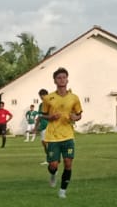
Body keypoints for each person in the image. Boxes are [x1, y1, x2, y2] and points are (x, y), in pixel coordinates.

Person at [41, 68, 83, 199]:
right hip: (53, 136)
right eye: (59, 78)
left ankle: (63, 190)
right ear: (55, 81)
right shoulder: (48, 98)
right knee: (53, 165)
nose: (62, 79)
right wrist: (51, 117)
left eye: (64, 77)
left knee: (68, 162)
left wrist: (75, 118)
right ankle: (53, 173)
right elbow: (43, 115)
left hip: (68, 135)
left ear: (67, 79)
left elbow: (79, 114)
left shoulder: (74, 98)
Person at [33, 88, 50, 158]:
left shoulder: (50, 104)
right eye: (40, 96)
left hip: (49, 126)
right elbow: (39, 116)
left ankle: (51, 159)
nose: (41, 97)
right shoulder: (41, 105)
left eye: (42, 95)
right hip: (42, 126)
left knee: (47, 143)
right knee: (44, 143)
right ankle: (49, 158)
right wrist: (35, 128)